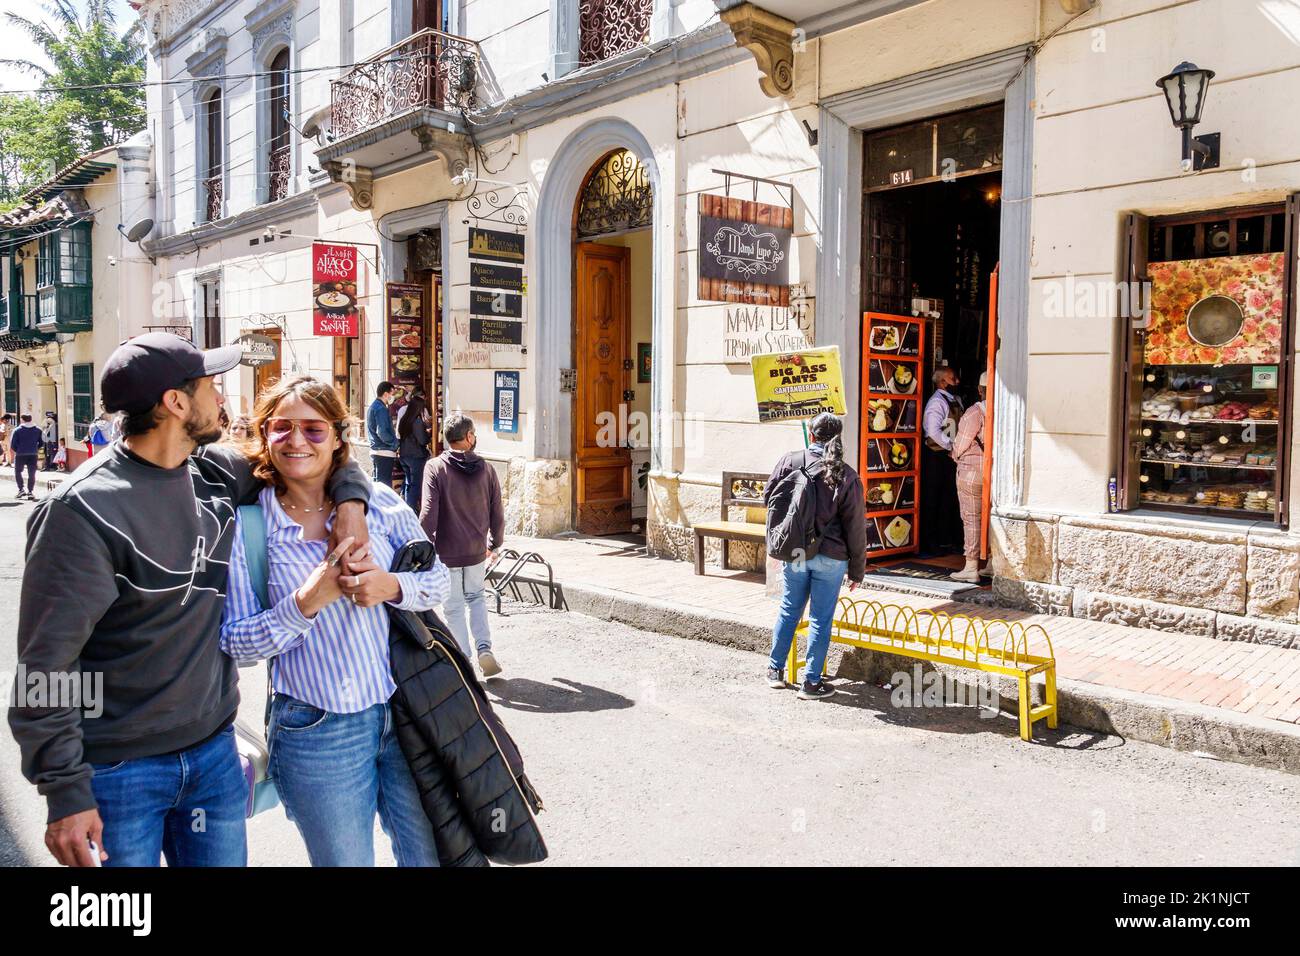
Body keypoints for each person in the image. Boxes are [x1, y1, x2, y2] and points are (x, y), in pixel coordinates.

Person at [7, 332, 373, 868]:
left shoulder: (215, 472)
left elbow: (314, 458)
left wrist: (352, 501)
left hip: (214, 758)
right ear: (176, 403)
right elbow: (45, 667)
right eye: (210, 385)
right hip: (117, 772)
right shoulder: (81, 512)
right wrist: (65, 792)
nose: (221, 396)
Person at [221, 375, 450, 867]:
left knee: (432, 854)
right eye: (281, 427)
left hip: (404, 711)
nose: (297, 440)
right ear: (264, 435)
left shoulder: (381, 506)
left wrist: (391, 586)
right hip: (316, 728)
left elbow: (439, 580)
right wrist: (307, 600)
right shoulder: (250, 527)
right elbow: (237, 643)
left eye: (314, 429)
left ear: (339, 436)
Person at [764, 413, 867, 700]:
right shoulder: (847, 475)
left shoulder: (790, 461)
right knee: (821, 618)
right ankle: (811, 683)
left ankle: (775, 670)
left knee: (789, 609)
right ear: (839, 437)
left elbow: (769, 498)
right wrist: (857, 571)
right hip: (831, 557)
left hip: (796, 551)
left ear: (812, 434)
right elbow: (856, 528)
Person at [420, 413, 505, 678]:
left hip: (447, 553)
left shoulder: (435, 467)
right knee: (477, 598)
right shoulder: (487, 469)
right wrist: (495, 543)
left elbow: (428, 513)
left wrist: (423, 546)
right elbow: (497, 512)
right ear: (468, 437)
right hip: (477, 550)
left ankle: (463, 659)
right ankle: (484, 649)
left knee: (454, 607)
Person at [921, 364, 964, 556]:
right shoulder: (937, 402)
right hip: (936, 456)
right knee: (933, 498)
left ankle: (947, 540)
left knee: (949, 498)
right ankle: (930, 544)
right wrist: (950, 446)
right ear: (943, 381)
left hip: (950, 457)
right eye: (953, 378)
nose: (957, 382)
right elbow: (933, 430)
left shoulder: (956, 400)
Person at [950, 372, 989, 583]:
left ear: (980, 389)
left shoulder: (975, 412)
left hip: (972, 471)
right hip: (994, 472)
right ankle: (991, 562)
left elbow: (961, 442)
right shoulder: (1002, 410)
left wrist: (954, 454)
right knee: (991, 519)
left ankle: (971, 566)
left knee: (972, 518)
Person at [398, 390, 432, 513]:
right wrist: (428, 435)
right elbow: (422, 440)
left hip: (404, 455)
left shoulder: (404, 420)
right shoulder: (417, 421)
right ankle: (411, 512)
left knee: (408, 483)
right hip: (416, 456)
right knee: (415, 485)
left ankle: (406, 510)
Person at [367, 381, 400, 488]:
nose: (393, 397)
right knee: (384, 488)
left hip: (377, 450)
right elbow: (382, 433)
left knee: (378, 485)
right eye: (393, 394)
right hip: (384, 451)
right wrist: (396, 444)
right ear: (386, 394)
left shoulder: (373, 406)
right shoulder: (381, 408)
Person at [10, 413, 42, 500]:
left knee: (18, 472)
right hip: (33, 454)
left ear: (22, 419)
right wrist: (35, 448)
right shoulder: (38, 430)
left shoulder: (17, 430)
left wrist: (18, 450)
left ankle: (21, 489)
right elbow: (41, 442)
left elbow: (13, 444)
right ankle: (30, 491)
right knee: (32, 473)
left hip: (20, 454)